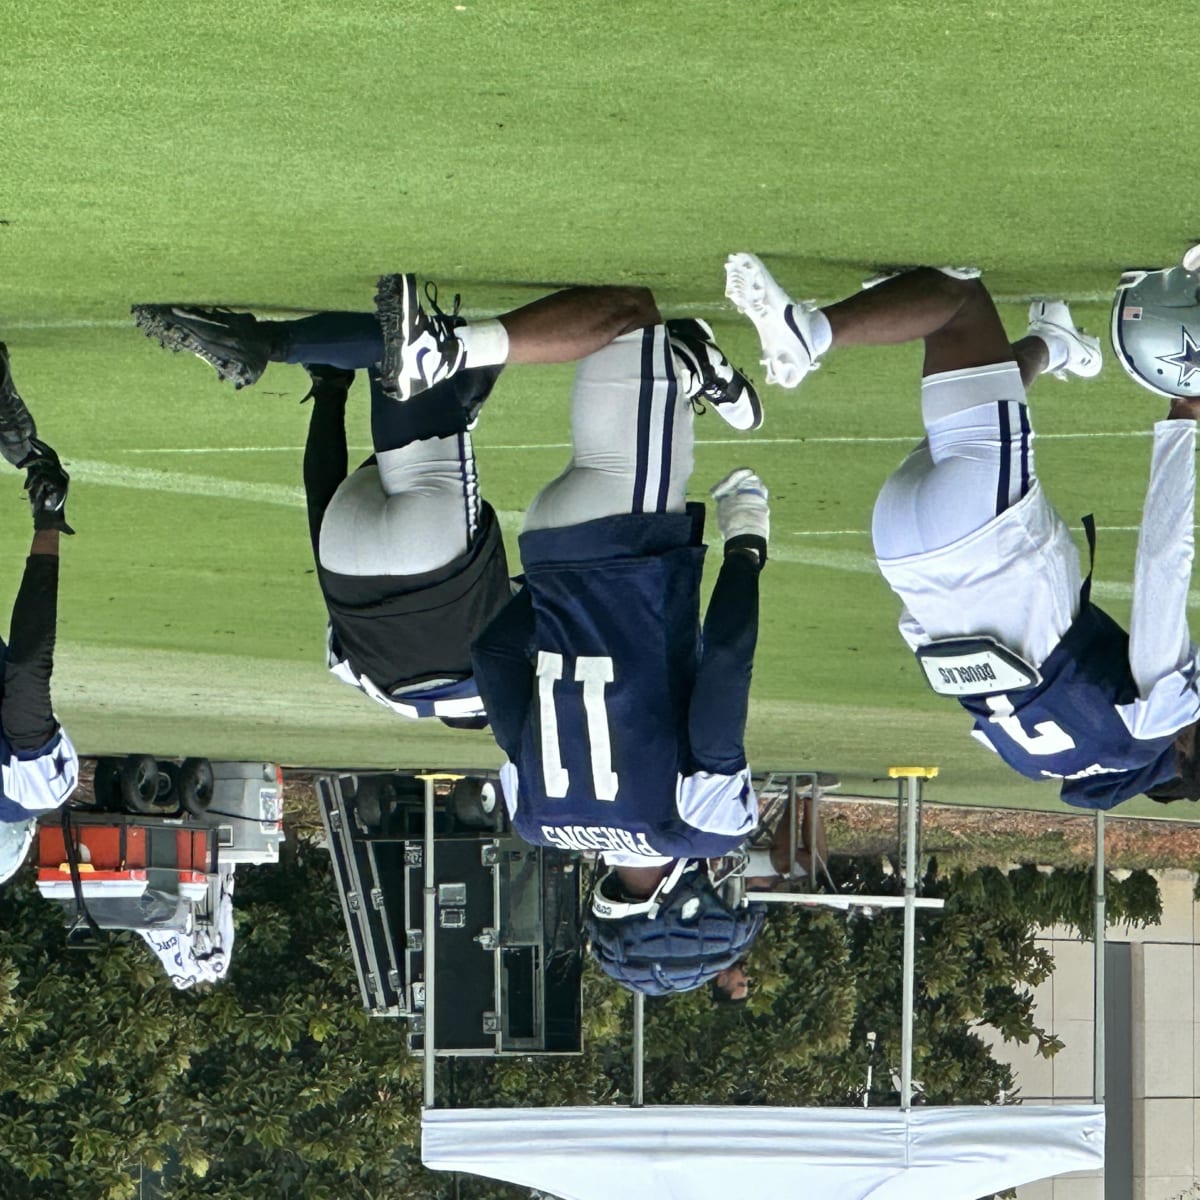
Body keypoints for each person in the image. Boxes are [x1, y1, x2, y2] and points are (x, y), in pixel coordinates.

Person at [133, 280, 757, 727]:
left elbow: (547, 599)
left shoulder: (511, 681)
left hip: (432, 547)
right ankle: (322, 364)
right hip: (345, 547)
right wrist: (328, 396)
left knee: (409, 360)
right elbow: (327, 549)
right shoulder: (383, 694)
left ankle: (269, 344)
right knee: (405, 384)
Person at [725, 252, 1200, 809]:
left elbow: (1163, 568)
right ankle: (1052, 342)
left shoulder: (1164, 721)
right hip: (905, 552)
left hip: (986, 531)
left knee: (958, 301)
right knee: (980, 393)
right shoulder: (1032, 763)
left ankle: (811, 334)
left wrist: (1183, 415)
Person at [467, 290, 770, 994]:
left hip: (629, 539)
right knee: (634, 356)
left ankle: (457, 346)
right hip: (551, 544)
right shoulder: (536, 823)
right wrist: (555, 594)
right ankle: (685, 369)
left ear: (676, 903)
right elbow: (493, 655)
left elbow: (725, 665)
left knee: (629, 316)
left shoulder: (698, 829)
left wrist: (747, 546)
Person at [0, 344, 79, 885]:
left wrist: (47, 523)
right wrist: (46, 522)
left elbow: (28, 668)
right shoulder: (26, 787)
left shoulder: (31, 790)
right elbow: (26, 670)